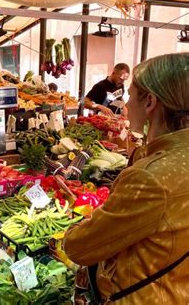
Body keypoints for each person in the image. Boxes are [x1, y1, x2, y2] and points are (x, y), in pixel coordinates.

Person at [64, 53, 189, 304]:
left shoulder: (150, 178)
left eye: (131, 94)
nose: (126, 103)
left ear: (150, 102)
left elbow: (80, 247)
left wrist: (78, 228)